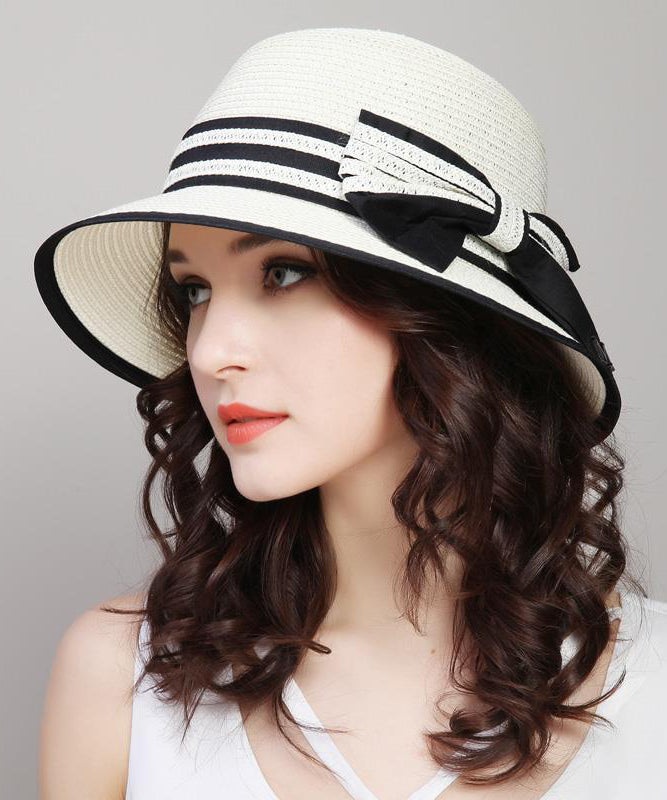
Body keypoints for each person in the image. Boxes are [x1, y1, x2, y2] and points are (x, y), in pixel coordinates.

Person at [35, 27, 666, 800]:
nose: (209, 353)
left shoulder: (655, 684)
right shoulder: (121, 676)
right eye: (194, 290)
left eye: (283, 273)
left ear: (442, 320)